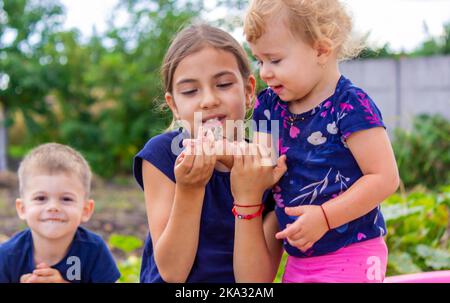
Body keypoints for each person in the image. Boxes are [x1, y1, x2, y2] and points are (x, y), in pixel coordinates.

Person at [238, 0, 400, 283]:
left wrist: (325, 217)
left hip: (353, 251)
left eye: (274, 60)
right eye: (259, 60)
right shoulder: (269, 106)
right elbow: (260, 164)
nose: (264, 72)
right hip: (299, 258)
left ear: (321, 50)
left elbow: (384, 178)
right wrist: (221, 154)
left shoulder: (350, 105)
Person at [133, 24, 287, 283]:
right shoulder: (161, 156)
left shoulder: (267, 165)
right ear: (174, 106)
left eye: (223, 84)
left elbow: (255, 283)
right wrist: (190, 189)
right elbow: (172, 272)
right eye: (191, 91)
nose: (208, 100)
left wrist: (248, 196)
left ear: (249, 91)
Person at [0, 143, 121, 283]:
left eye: (66, 199)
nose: (53, 207)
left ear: (85, 210)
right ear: (22, 208)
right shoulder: (7, 256)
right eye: (41, 198)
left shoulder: (94, 250)